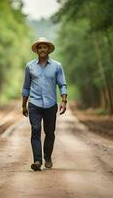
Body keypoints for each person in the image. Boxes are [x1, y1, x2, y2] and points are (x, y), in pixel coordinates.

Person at [21, 37, 68, 171]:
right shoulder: (29, 66)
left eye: (44, 47)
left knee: (50, 132)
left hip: (50, 104)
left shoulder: (57, 66)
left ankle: (47, 156)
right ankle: (37, 160)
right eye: (40, 47)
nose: (42, 50)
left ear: (48, 50)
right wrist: (24, 105)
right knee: (35, 130)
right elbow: (26, 87)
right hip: (34, 104)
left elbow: (62, 84)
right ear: (36, 50)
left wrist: (64, 101)